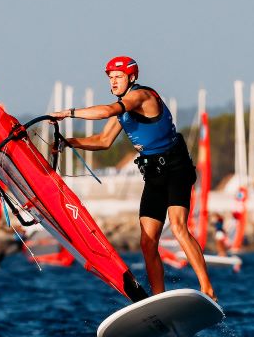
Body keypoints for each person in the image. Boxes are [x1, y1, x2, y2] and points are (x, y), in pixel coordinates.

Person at [50, 56, 216, 300]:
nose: (113, 82)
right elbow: (103, 141)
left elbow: (107, 110)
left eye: (118, 77)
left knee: (179, 227)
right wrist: (68, 142)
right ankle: (159, 298)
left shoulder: (142, 96)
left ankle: (207, 287)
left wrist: (68, 113)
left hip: (176, 169)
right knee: (148, 242)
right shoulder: (123, 111)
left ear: (131, 78)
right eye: (110, 78)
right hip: (153, 175)